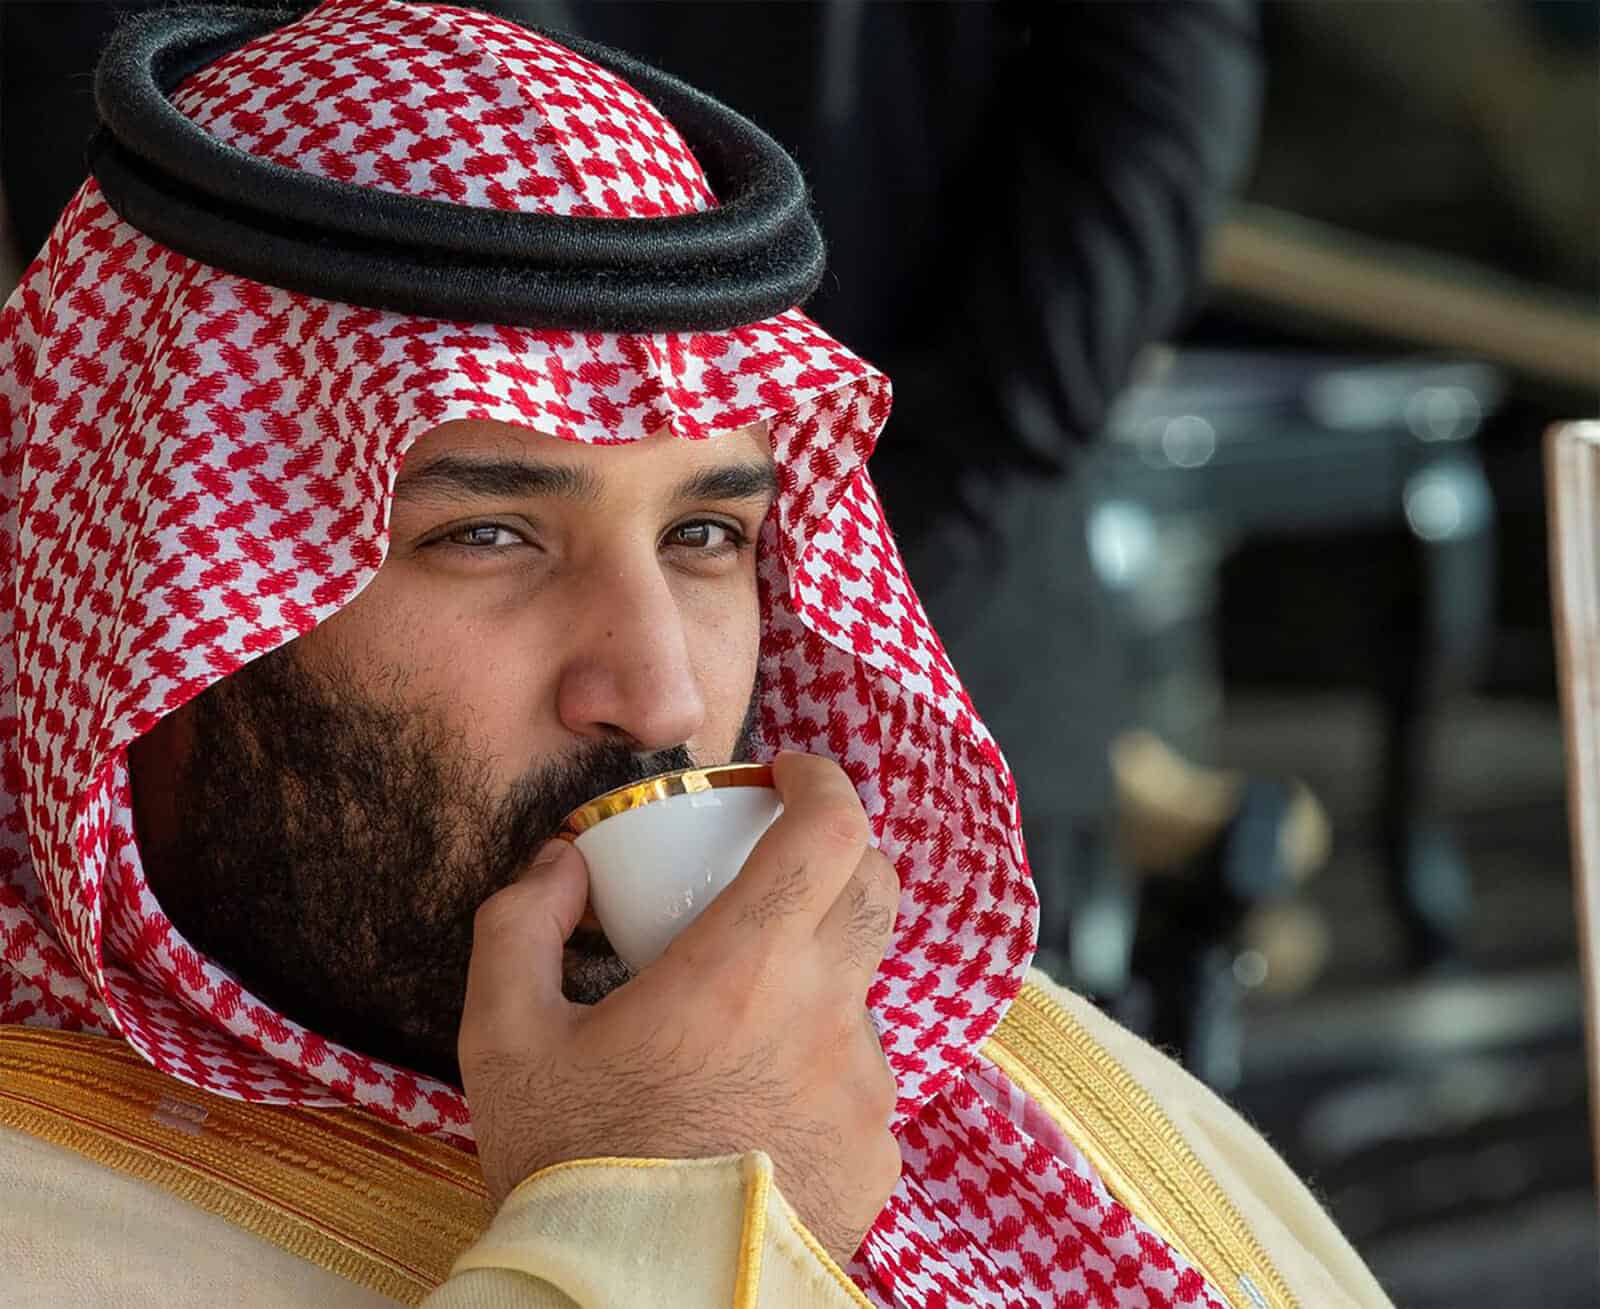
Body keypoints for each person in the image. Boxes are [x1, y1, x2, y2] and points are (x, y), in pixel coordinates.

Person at [0, 3, 1389, 1306]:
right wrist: (674, 1201)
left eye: (707, 534)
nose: (661, 694)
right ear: (160, 596)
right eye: (486, 535)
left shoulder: (1021, 1077)